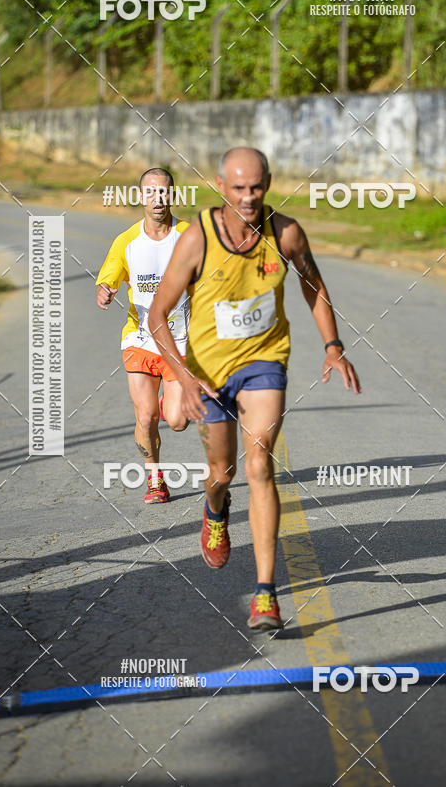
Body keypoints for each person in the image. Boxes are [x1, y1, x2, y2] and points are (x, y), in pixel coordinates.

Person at [148, 147, 360, 628]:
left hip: (265, 362)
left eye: (257, 187)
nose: (248, 197)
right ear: (221, 186)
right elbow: (157, 314)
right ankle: (215, 509)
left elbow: (313, 283)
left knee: (260, 461)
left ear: (268, 183)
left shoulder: (286, 233)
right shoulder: (198, 238)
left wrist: (333, 346)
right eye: (239, 188)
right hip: (208, 373)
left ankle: (266, 594)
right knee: (221, 473)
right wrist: (184, 376)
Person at [96, 167, 189, 504]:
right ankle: (155, 479)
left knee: (177, 421)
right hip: (140, 339)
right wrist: (105, 291)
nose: (157, 198)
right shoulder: (126, 241)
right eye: (150, 192)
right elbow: (108, 279)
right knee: (145, 416)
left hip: (181, 343)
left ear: (172, 195)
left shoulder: (190, 237)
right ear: (140, 197)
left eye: (163, 191)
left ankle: (169, 402)